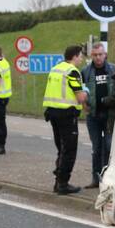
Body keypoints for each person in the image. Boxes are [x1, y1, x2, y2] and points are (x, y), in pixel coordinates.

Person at [43, 45, 87, 195]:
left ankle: (58, 182)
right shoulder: (72, 71)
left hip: (53, 113)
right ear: (74, 56)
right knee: (69, 150)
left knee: (61, 149)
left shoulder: (55, 69)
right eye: (80, 56)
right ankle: (63, 183)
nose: (81, 59)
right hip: (67, 115)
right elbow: (80, 97)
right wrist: (86, 92)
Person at [81, 42, 115, 188]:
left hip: (109, 115)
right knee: (96, 148)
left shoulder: (113, 69)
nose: (98, 58)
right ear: (91, 56)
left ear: (105, 55)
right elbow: (81, 89)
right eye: (95, 55)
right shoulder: (86, 71)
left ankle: (108, 179)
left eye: (100, 54)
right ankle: (96, 179)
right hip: (93, 115)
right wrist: (84, 105)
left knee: (108, 146)